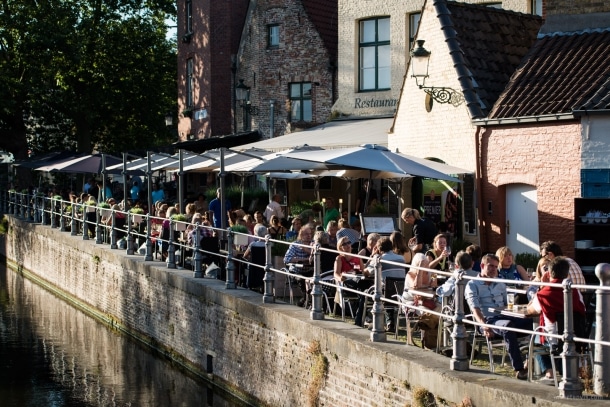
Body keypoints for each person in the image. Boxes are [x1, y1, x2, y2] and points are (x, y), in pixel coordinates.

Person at [465, 254, 533, 380]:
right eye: (490, 266)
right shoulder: (472, 284)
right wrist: (484, 325)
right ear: (482, 266)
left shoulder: (500, 283)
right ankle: (519, 369)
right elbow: (475, 308)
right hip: (488, 320)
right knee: (508, 326)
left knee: (533, 323)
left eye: (496, 267)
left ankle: (531, 362)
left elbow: (507, 305)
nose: (493, 269)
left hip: (504, 316)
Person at [526, 257, 586, 385]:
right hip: (579, 336)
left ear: (548, 273)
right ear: (567, 274)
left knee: (536, 340)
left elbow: (530, 310)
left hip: (554, 339)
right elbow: (583, 309)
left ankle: (549, 373)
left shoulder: (543, 294)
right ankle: (580, 369)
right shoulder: (574, 291)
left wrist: (542, 286)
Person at [333, 236, 367, 326]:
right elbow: (335, 274)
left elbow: (363, 272)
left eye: (349, 243)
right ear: (340, 247)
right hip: (347, 283)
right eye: (344, 244)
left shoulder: (357, 257)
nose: (348, 245)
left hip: (359, 281)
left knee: (364, 291)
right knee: (364, 290)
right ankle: (362, 318)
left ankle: (359, 319)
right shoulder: (339, 258)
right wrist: (341, 278)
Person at [283, 225, 314, 306]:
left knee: (315, 279)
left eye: (310, 234)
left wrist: (306, 250)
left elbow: (318, 256)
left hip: (310, 270)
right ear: (301, 235)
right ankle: (306, 299)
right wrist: (304, 259)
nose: (309, 236)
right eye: (306, 234)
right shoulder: (295, 244)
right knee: (301, 279)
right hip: (296, 271)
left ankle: (307, 300)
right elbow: (286, 259)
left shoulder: (313, 244)